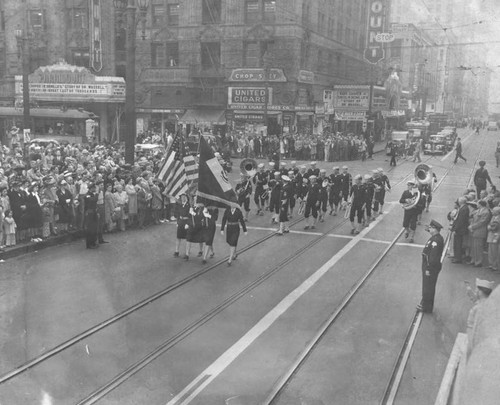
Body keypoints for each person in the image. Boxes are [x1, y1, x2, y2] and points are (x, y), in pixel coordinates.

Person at [417, 219, 445, 313]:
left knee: (428, 288)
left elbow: (433, 257)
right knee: (428, 287)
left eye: (431, 228)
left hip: (430, 267)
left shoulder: (436, 240)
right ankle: (426, 305)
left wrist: (428, 268)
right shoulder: (436, 237)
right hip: (430, 266)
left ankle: (427, 308)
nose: (429, 229)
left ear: (435, 229)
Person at [465, 278, 495, 357]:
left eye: (476, 290)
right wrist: (468, 288)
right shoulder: (485, 302)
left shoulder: (480, 307)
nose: (476, 292)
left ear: (480, 292)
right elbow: (474, 298)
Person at [451, 196, 470, 263]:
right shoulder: (463, 208)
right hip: (460, 229)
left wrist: (455, 229)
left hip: (460, 229)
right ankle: (457, 257)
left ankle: (458, 258)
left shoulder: (464, 209)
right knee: (457, 243)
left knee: (458, 244)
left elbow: (461, 221)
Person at [173, 193, 190, 257]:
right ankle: (176, 251)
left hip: (186, 222)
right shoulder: (179, 204)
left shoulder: (189, 205)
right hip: (180, 221)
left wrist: (188, 223)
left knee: (187, 238)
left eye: (184, 197)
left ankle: (187, 253)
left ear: (186, 197)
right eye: (182, 197)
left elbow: (190, 215)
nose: (183, 198)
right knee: (178, 237)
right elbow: (177, 214)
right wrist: (177, 222)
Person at [84, 183, 99, 249]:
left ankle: (93, 242)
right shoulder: (87, 195)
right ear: (91, 188)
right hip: (89, 213)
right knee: (89, 229)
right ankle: (89, 244)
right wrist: (97, 195)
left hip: (94, 212)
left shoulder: (92, 194)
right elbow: (93, 200)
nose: (95, 189)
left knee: (94, 228)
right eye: (94, 188)